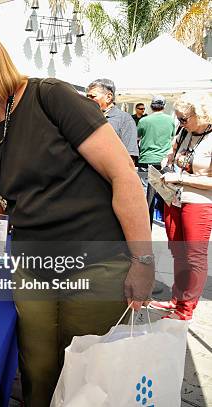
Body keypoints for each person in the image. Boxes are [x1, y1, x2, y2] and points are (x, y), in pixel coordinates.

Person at [0, 28, 153, 406]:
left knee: (88, 381)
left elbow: (124, 177)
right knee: (37, 374)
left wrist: (143, 259)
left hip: (95, 265)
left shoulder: (50, 96)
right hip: (33, 268)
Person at [149, 92, 212, 320]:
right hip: (173, 198)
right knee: (178, 253)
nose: (181, 123)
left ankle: (186, 309)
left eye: (185, 119)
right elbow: (171, 154)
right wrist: (167, 163)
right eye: (179, 119)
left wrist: (182, 179)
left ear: (202, 115)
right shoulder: (184, 132)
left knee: (195, 256)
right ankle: (177, 299)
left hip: (199, 203)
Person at [137, 95, 175, 228]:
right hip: (163, 160)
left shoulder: (144, 120)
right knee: (166, 194)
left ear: (152, 106)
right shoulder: (170, 120)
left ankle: (146, 227)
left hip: (146, 159)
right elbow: (171, 137)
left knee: (146, 195)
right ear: (164, 106)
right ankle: (169, 223)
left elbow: (138, 136)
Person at [86, 78, 139, 163]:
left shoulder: (125, 120)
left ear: (108, 97)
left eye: (92, 96)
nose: (88, 100)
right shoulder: (86, 117)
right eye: (87, 96)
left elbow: (129, 158)